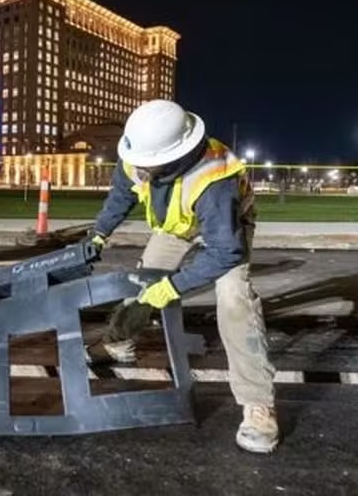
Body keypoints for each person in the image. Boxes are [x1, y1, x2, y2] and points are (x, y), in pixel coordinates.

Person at [84, 99, 279, 454]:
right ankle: (118, 340)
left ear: (173, 157)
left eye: (147, 165)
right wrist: (98, 234)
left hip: (226, 230)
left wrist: (172, 287)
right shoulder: (137, 152)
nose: (138, 169)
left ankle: (257, 403)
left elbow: (225, 252)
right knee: (143, 283)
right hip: (176, 226)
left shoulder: (213, 177)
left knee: (234, 298)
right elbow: (119, 195)